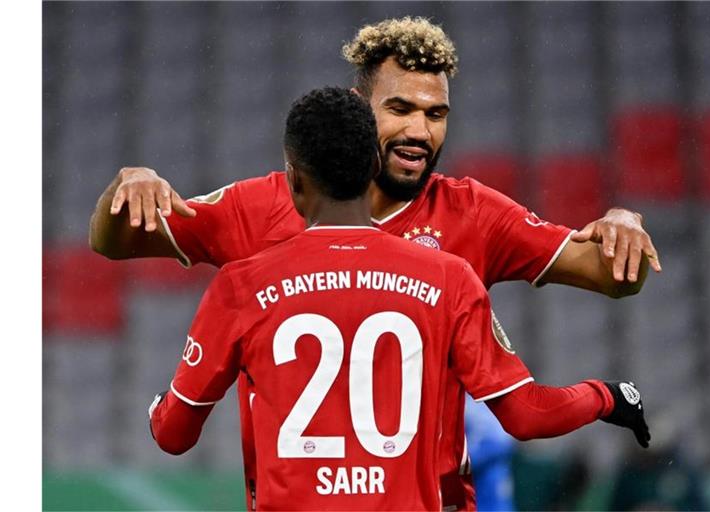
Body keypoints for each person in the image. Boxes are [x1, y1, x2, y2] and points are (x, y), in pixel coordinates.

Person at [90, 17, 661, 511]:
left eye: (436, 114)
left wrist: (625, 224)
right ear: (360, 110)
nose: (419, 131)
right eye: (401, 108)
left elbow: (614, 276)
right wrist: (129, 184)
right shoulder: (257, 207)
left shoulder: (474, 213)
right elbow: (116, 241)